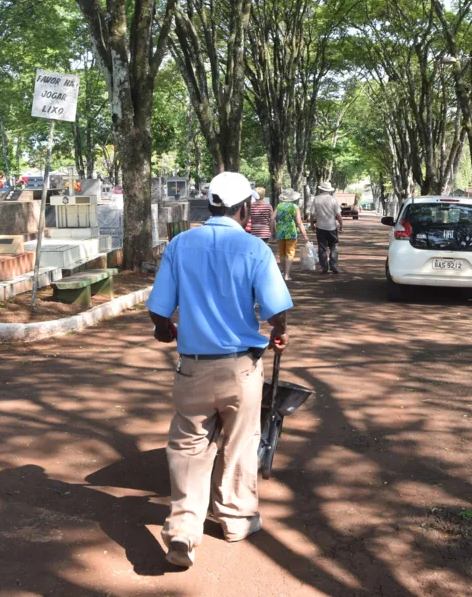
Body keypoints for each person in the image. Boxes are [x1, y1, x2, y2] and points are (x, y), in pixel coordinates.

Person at [147, 171, 293, 569]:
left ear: (210, 205)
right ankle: (235, 520)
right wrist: (279, 333)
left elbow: (159, 309)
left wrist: (165, 331)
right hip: (241, 370)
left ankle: (183, 529)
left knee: (188, 448)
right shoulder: (254, 249)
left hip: (192, 369)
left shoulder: (180, 245)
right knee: (241, 443)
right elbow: (277, 310)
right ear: (245, 208)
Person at [275, 188, 308, 281]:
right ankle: (287, 274)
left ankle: (284, 271)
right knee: (290, 253)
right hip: (291, 232)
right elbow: (299, 222)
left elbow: (272, 218)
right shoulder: (294, 207)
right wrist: (305, 235)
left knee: (282, 253)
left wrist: (273, 231)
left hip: (280, 231)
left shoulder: (279, 206)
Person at [310, 181, 343, 274]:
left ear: (321, 189)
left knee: (322, 247)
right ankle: (334, 266)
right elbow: (338, 215)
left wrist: (312, 225)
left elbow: (312, 214)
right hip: (332, 226)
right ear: (329, 190)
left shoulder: (316, 199)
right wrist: (341, 226)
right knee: (334, 246)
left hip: (320, 226)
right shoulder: (333, 199)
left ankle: (324, 267)